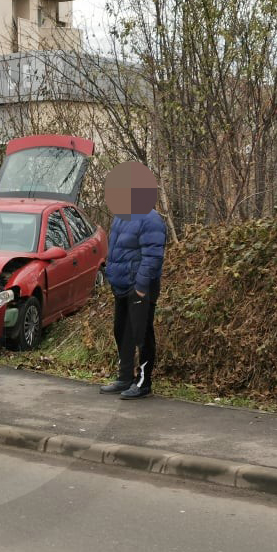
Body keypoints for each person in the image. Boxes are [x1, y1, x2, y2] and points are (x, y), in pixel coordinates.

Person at [99, 161, 167, 399]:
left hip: (140, 289)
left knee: (142, 335)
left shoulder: (150, 219)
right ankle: (124, 377)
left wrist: (140, 287)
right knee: (122, 333)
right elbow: (116, 249)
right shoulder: (121, 215)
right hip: (121, 287)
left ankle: (143, 382)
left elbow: (153, 256)